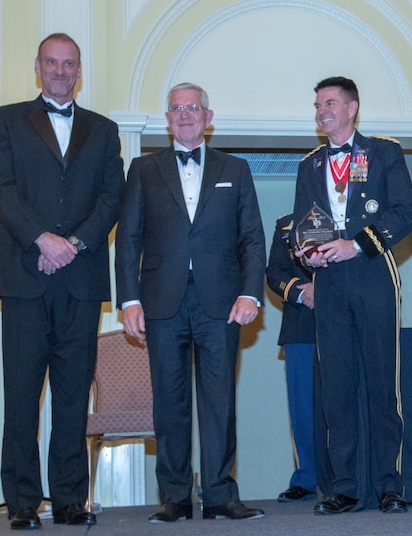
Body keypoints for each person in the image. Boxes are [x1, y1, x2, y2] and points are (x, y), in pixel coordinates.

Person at [0, 32, 125, 530]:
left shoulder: (105, 131)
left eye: (69, 64)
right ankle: (22, 502)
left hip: (80, 282)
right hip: (24, 277)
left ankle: (69, 500)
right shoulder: (6, 120)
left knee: (71, 397)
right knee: (22, 396)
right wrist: (42, 239)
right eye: (52, 62)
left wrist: (74, 245)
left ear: (78, 71)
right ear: (37, 67)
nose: (60, 71)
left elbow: (112, 198)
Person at [115, 82, 266, 523]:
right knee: (170, 403)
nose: (184, 114)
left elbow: (252, 238)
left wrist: (250, 292)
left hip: (222, 304)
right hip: (161, 303)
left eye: (193, 108)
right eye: (176, 108)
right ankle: (176, 498)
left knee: (219, 401)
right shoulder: (143, 169)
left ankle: (219, 495)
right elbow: (129, 240)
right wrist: (129, 299)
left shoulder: (235, 169)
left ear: (208, 115)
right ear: (167, 118)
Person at [293, 76, 412, 514]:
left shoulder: (385, 152)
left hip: (372, 272)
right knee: (337, 388)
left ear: (352, 107)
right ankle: (343, 487)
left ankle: (390, 485)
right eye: (317, 104)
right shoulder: (309, 164)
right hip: (330, 283)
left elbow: (405, 212)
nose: (321, 110)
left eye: (328, 103)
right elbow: (305, 224)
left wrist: (355, 244)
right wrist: (309, 252)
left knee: (384, 385)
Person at [266, 213, 318, 503]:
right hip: (302, 322)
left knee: (349, 403)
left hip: (347, 321)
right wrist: (302, 291)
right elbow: (274, 272)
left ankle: (349, 476)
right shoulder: (286, 223)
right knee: (303, 408)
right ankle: (308, 478)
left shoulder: (353, 213)